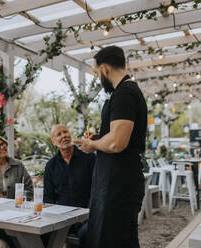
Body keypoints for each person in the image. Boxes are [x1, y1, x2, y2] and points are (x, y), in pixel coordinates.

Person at [74, 46, 147, 248]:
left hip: (119, 185)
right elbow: (116, 135)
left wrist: (92, 144)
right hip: (115, 182)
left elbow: (117, 143)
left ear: (105, 69)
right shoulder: (126, 92)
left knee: (114, 241)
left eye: (97, 73)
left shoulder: (124, 93)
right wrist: (100, 138)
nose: (99, 78)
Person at [44, 124, 94, 247]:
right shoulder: (51, 166)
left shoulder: (89, 158)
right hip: (62, 219)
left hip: (88, 216)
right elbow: (48, 197)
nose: (64, 136)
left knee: (86, 233)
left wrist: (87, 215)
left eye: (65, 132)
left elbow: (97, 190)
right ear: (53, 141)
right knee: (41, 235)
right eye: (59, 134)